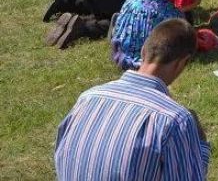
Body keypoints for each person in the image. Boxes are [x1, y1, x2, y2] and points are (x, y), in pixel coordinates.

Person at [55, 19, 209, 180]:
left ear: (143, 51)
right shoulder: (175, 120)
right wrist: (201, 146)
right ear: (182, 63)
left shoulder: (87, 98)